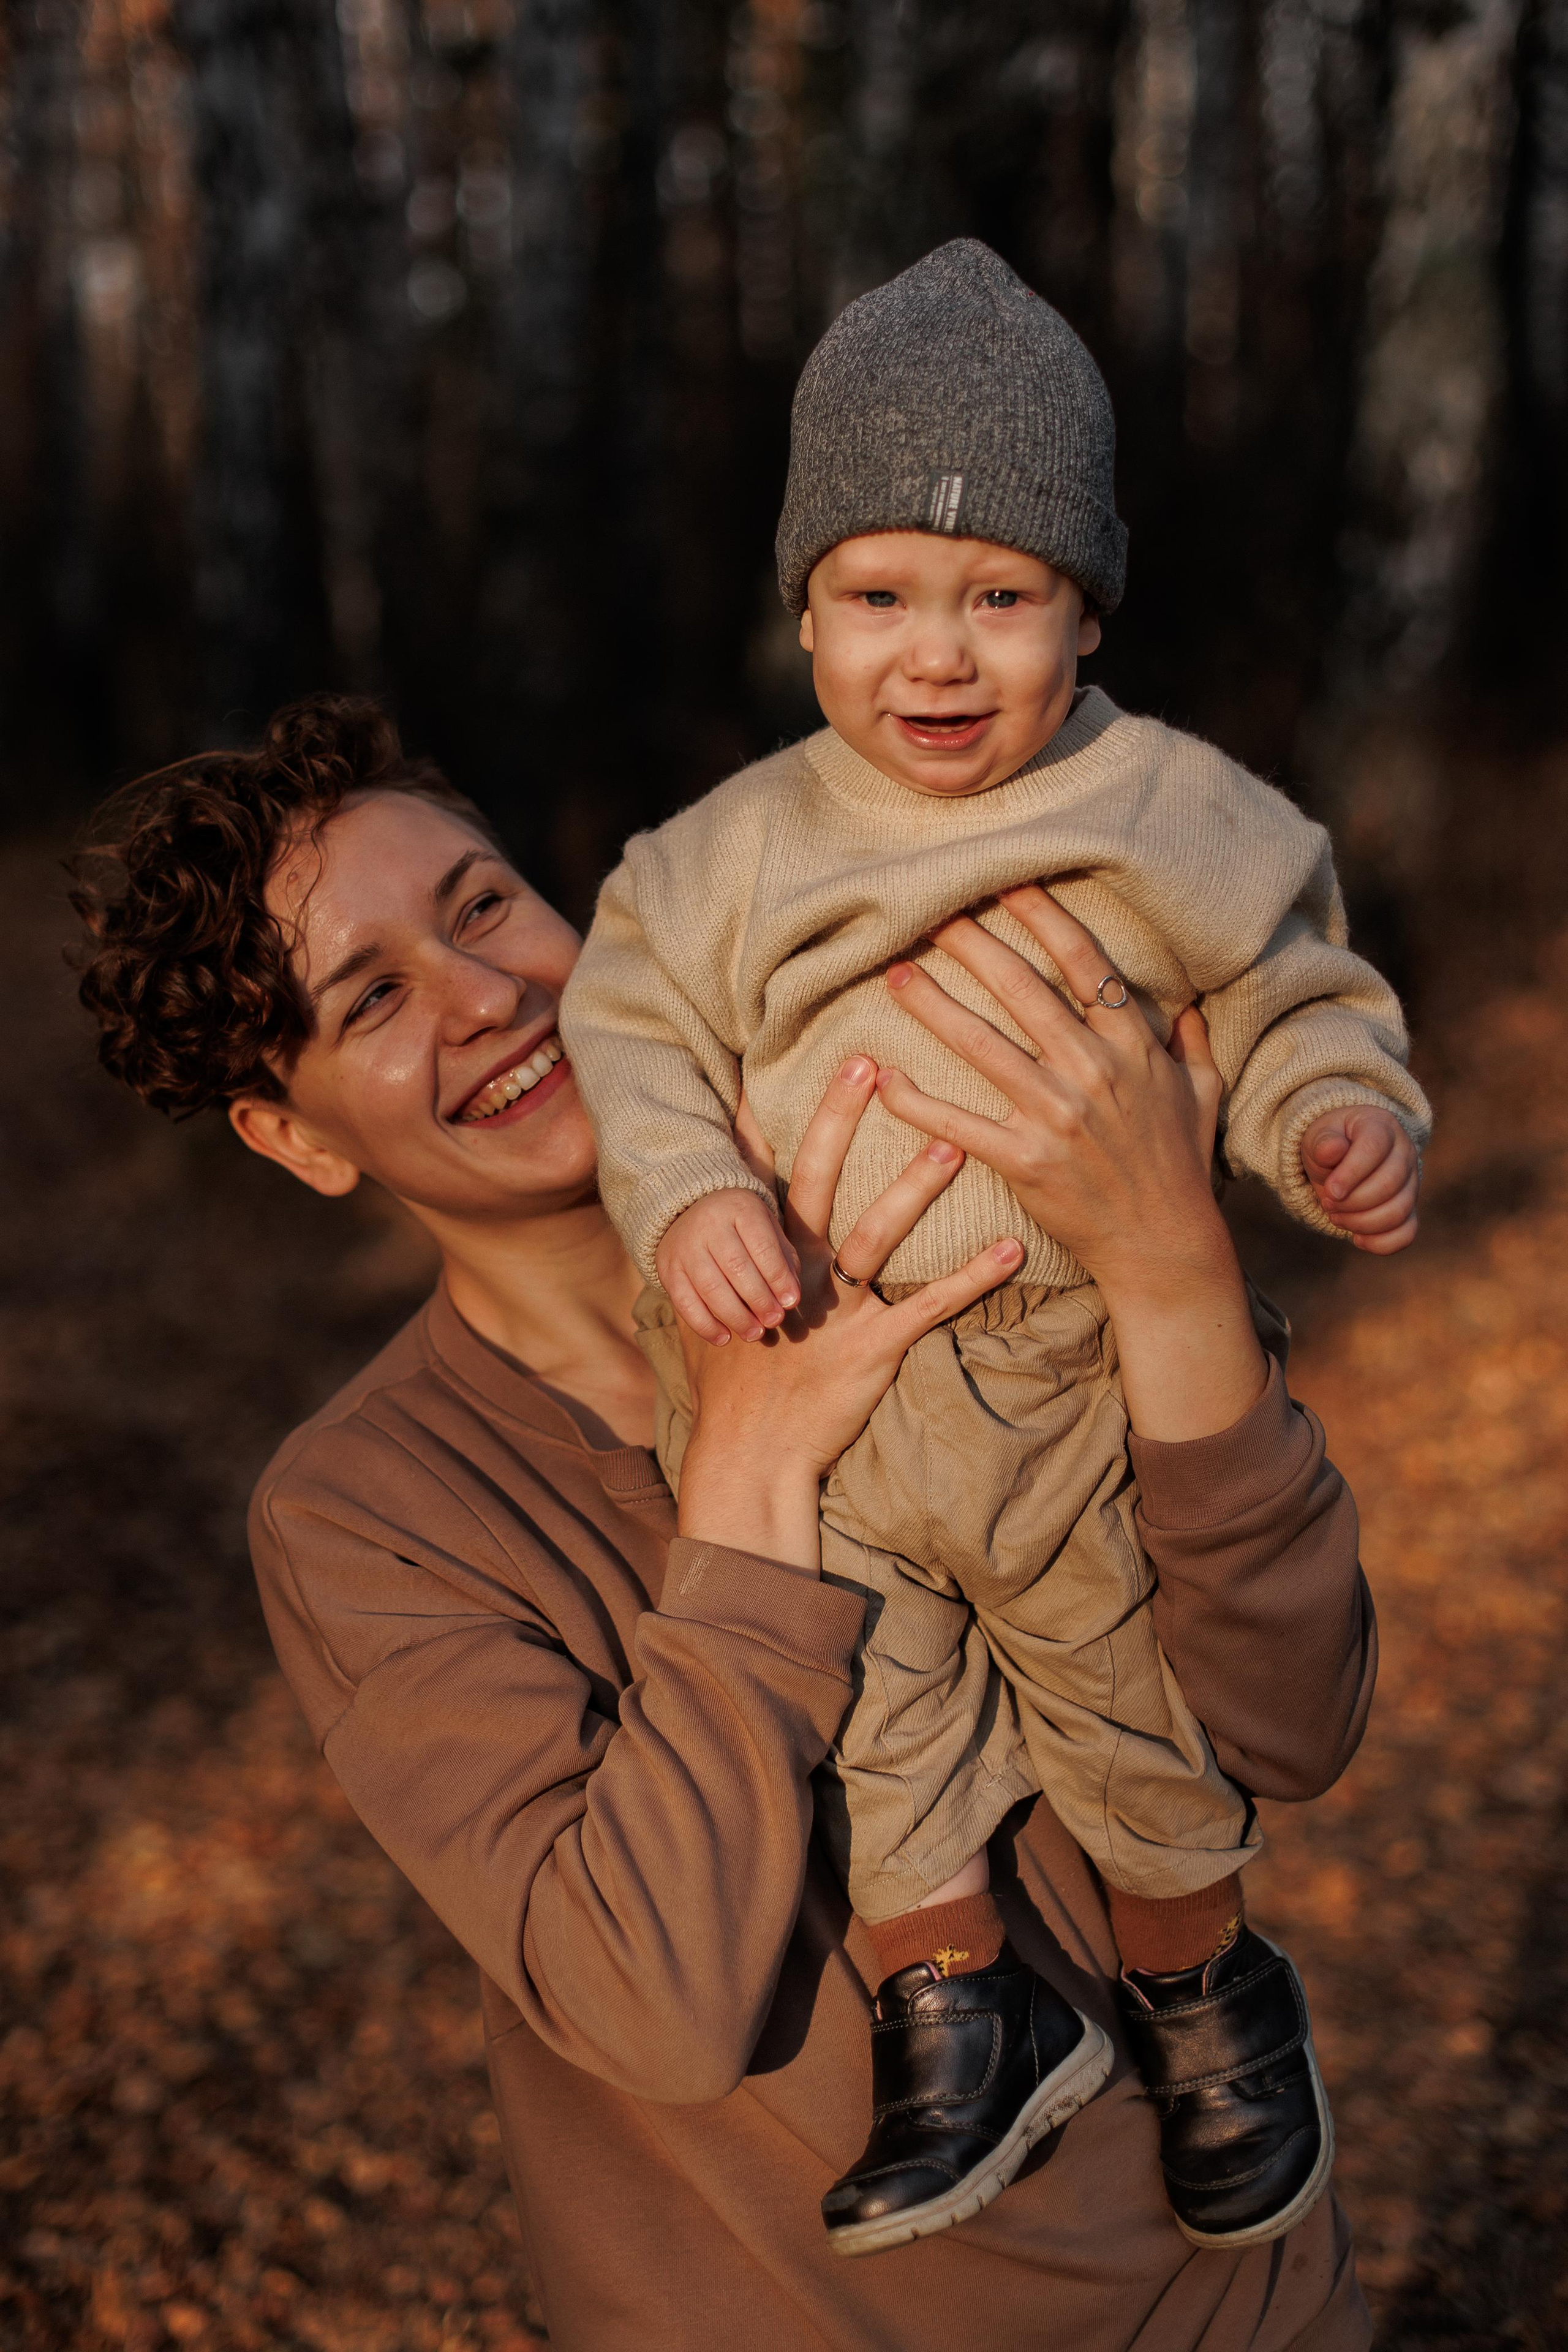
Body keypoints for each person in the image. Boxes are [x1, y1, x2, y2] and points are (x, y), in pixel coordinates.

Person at [72, 695, 1376, 2349]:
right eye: (373, 996)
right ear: (292, 1134)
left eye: (483, 906)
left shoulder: (923, 1177)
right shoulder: (372, 1512)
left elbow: (1290, 1723)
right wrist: (750, 1477)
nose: (485, 994)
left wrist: (1172, 1262)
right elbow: (654, 2002)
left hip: (1231, 2302)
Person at [559, 237, 1427, 2255]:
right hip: (823, 1387)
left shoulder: (1169, 808)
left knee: (1128, 1698)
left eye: (1000, 599)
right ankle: (959, 2009)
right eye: (879, 597)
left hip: (1062, 1377)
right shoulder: (731, 852)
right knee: (873, 1723)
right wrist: (693, 1195)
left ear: (1088, 608)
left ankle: (1207, 1986)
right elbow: (632, 1023)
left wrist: (1334, 1117)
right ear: (803, 609)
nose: (936, 659)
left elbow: (1295, 982)